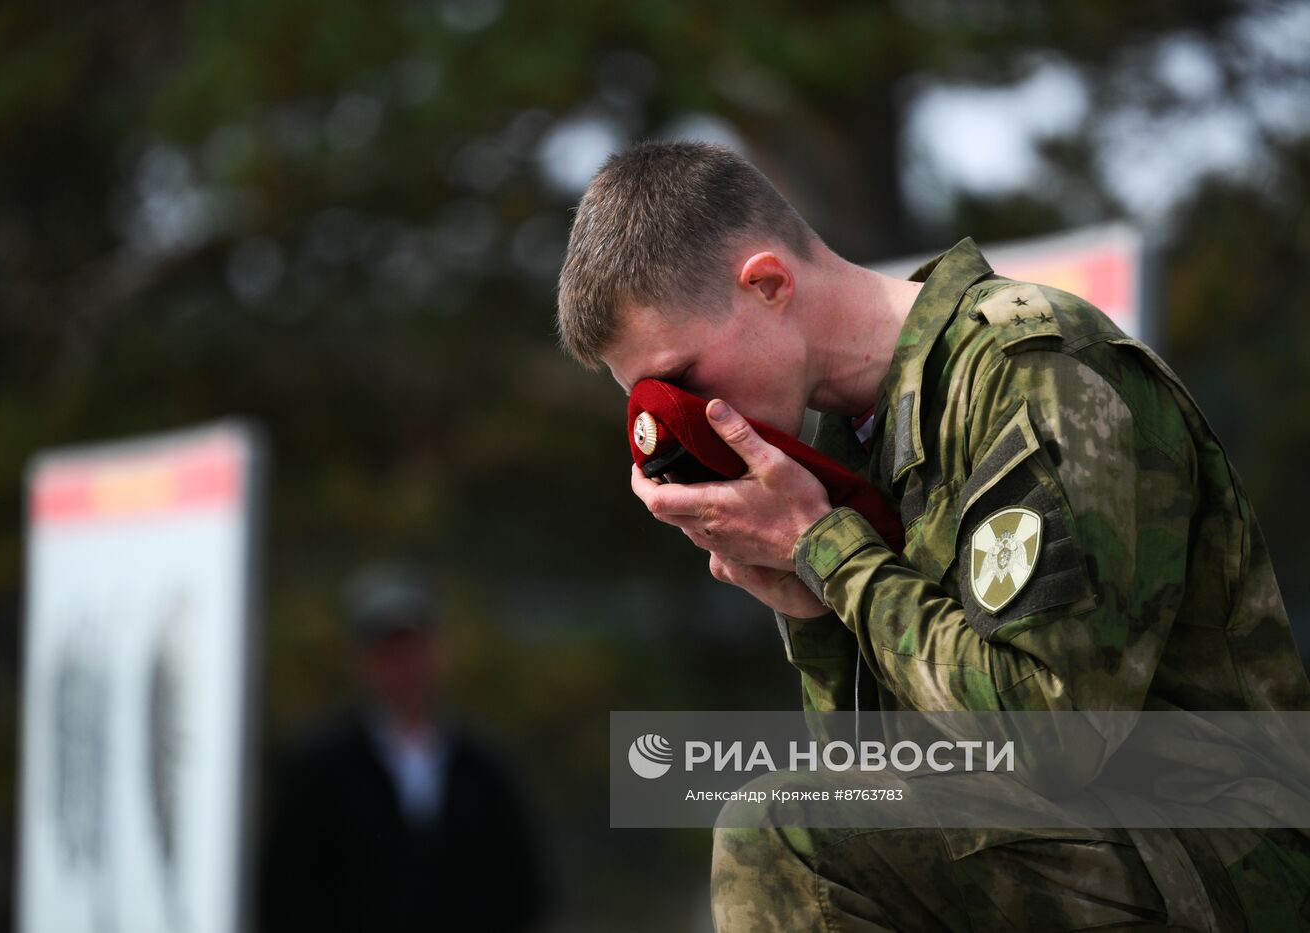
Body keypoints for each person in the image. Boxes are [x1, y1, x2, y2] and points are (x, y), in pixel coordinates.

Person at [556, 141, 1310, 930]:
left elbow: (1052, 739)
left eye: (681, 381)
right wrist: (810, 605)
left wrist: (827, 548)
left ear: (769, 283)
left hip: (1214, 850)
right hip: (1084, 844)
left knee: (774, 828)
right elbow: (892, 776)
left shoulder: (1033, 366)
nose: (675, 424)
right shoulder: (856, 439)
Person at [259, 565, 548, 933]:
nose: (404, 668)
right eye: (388, 653)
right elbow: (286, 891)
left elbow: (523, 888)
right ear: (363, 661)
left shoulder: (483, 765)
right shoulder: (320, 768)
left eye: (412, 650)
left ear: (437, 652)